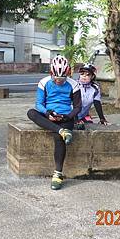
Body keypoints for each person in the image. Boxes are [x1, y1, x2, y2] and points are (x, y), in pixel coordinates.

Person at [27, 55, 81, 191]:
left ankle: (58, 174)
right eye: (56, 78)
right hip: (48, 113)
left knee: (58, 138)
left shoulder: (74, 85)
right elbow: (39, 103)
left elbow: (77, 107)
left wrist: (66, 117)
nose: (59, 81)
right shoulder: (44, 83)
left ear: (67, 73)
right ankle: (61, 131)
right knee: (31, 112)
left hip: (65, 116)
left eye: (62, 79)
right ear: (51, 73)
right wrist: (47, 113)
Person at [75, 64, 110, 130]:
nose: (84, 76)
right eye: (82, 74)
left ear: (92, 76)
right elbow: (71, 104)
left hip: (84, 115)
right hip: (71, 115)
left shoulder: (95, 88)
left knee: (90, 127)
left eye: (88, 74)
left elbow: (97, 103)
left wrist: (102, 118)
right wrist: (75, 119)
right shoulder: (74, 85)